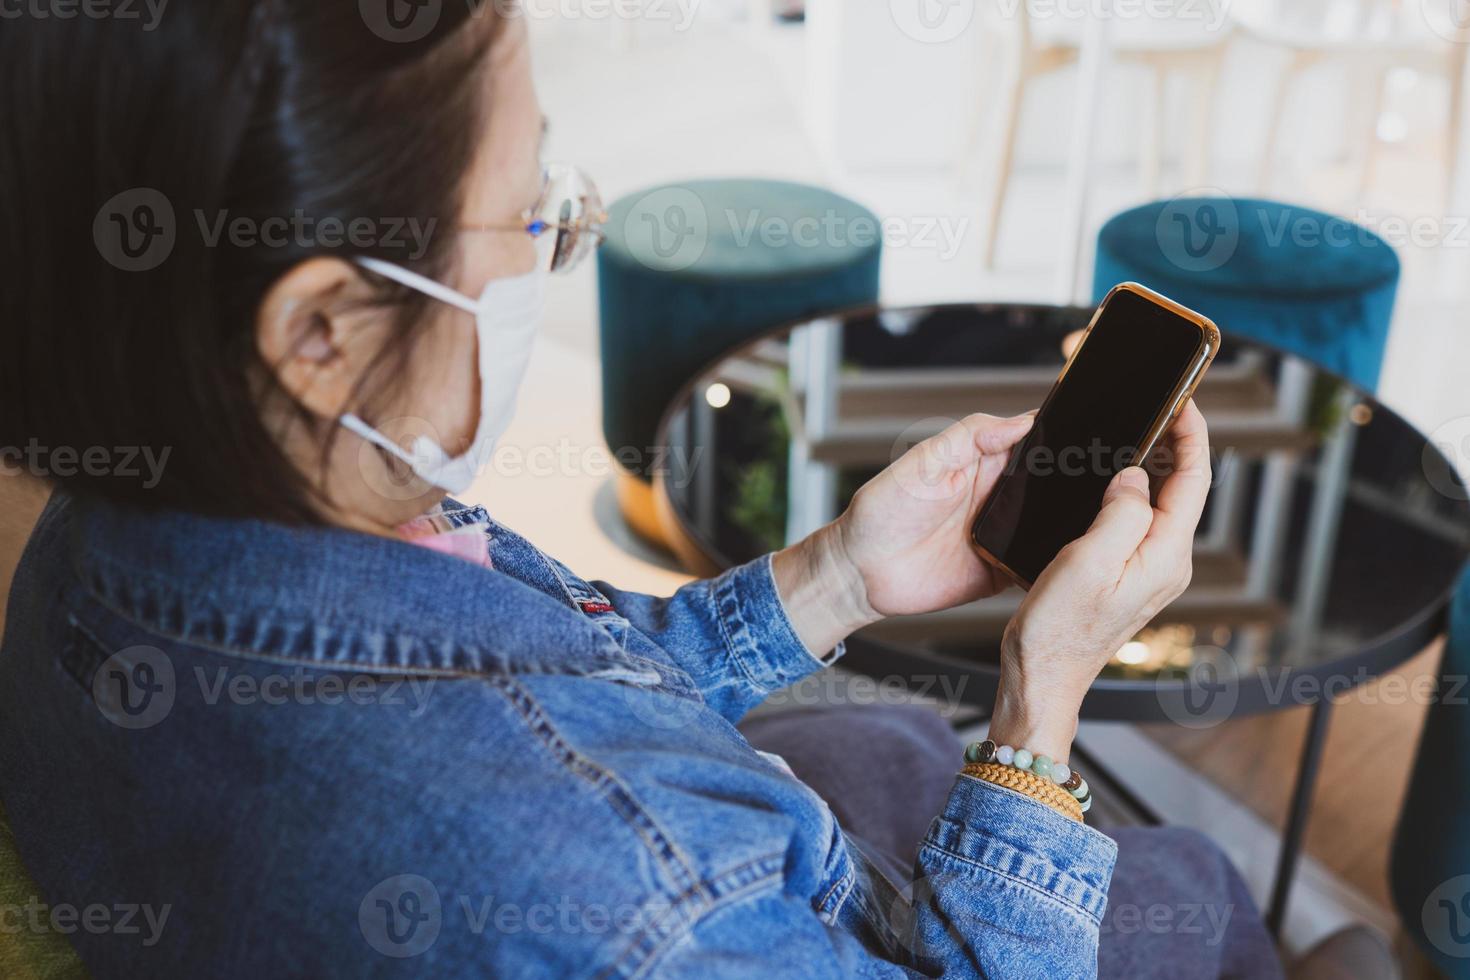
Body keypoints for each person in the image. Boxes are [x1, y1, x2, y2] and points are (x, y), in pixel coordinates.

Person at [0, 3, 1281, 976]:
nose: (564, 235)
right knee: (1191, 882)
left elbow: (552, 674)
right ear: (322, 332)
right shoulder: (636, 902)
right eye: (530, 214)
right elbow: (588, 803)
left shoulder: (126, 510)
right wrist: (1042, 700)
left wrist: (837, 574)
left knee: (885, 738)